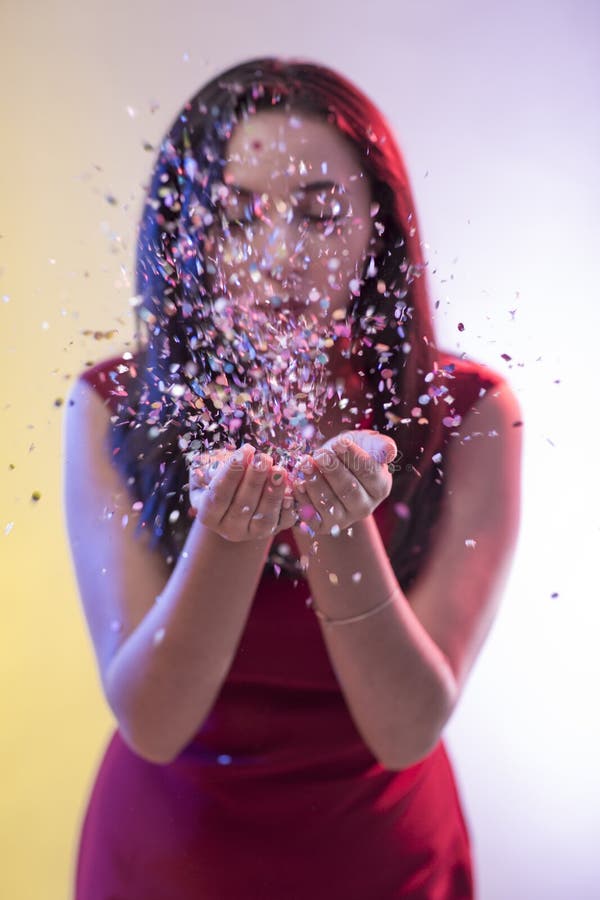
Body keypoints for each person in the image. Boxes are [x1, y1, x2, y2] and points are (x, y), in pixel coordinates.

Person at [64, 57, 522, 900]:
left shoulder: (468, 412)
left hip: (382, 864)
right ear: (188, 232)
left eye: (317, 214)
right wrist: (228, 533)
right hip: (167, 860)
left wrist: (337, 522)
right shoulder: (113, 407)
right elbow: (154, 724)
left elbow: (407, 725)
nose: (278, 256)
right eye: (238, 217)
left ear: (376, 224)